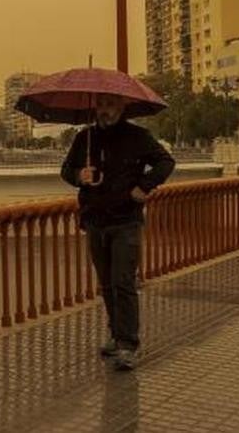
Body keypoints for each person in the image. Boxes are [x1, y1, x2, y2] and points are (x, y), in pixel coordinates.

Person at [60, 93, 175, 370]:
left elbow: (165, 162)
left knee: (123, 282)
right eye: (100, 105)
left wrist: (144, 187)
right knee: (107, 283)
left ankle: (128, 344)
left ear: (122, 108)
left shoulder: (138, 136)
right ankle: (116, 333)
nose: (104, 110)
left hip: (125, 221)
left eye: (110, 105)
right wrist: (79, 176)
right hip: (95, 220)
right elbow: (66, 170)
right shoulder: (84, 138)